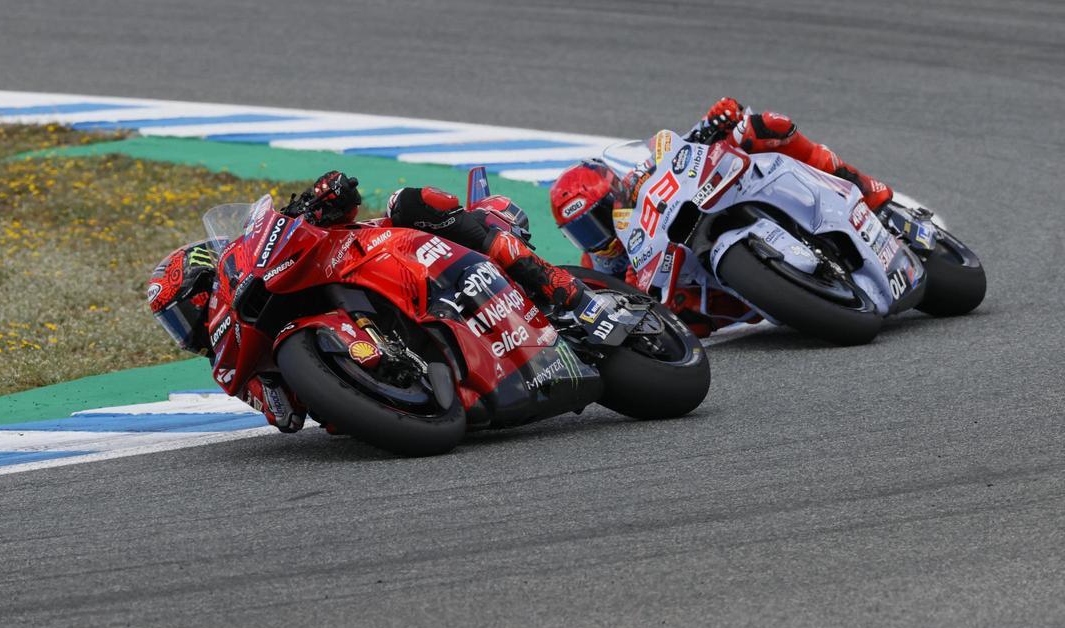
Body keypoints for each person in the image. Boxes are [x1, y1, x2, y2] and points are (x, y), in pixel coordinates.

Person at [148, 171, 588, 432]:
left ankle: (558, 287)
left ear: (208, 281)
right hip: (385, 402)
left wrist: (323, 199)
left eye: (181, 312)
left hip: (385, 251)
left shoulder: (257, 263)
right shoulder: (231, 370)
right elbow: (285, 418)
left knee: (415, 202)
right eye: (174, 323)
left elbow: (335, 207)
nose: (184, 330)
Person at [549, 97, 896, 336]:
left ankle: (859, 183)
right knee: (684, 318)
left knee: (765, 127)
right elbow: (617, 306)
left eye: (597, 219)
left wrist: (714, 122)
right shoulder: (596, 265)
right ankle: (790, 294)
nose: (597, 236)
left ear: (615, 195)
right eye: (582, 231)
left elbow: (681, 152)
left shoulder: (639, 185)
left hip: (707, 205)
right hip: (710, 293)